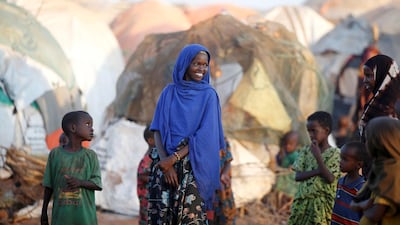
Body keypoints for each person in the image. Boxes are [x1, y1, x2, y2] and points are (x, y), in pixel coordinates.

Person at [148, 44, 226, 225]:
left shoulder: (209, 96)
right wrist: (165, 163)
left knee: (190, 218)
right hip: (164, 165)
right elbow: (158, 130)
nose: (201, 69)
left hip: (193, 166)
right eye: (196, 64)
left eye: (205, 65)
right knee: (162, 218)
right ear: (184, 64)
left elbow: (205, 137)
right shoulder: (169, 92)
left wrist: (173, 159)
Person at [40, 111, 102, 225]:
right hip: (61, 219)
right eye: (88, 125)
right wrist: (43, 212)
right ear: (73, 128)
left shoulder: (90, 156)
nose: (92, 129)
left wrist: (80, 182)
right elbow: (49, 186)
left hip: (85, 220)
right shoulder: (55, 154)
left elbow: (97, 184)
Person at [287, 111, 341, 225]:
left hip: (321, 207)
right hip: (302, 204)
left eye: (314, 131)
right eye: (309, 131)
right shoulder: (306, 150)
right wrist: (318, 171)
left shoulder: (336, 154)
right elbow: (298, 176)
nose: (311, 135)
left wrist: (318, 157)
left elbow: (330, 178)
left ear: (326, 131)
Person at [352, 117, 400, 225]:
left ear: (379, 143)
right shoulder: (380, 168)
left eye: (368, 139)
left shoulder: (392, 172)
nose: (366, 144)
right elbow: (358, 200)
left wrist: (361, 207)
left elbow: (375, 214)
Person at [358, 54, 400, 143]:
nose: (364, 80)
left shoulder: (393, 107)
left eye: (369, 75)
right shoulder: (375, 104)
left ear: (382, 76)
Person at [331, 141, 368, 225]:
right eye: (341, 158)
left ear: (358, 164)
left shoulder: (361, 188)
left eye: (345, 159)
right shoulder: (340, 181)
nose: (340, 161)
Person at [211, 137, 236, 225]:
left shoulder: (222, 140)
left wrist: (224, 174)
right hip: (208, 186)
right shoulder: (200, 139)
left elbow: (228, 161)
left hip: (222, 187)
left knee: (226, 215)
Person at [137, 125, 155, 225]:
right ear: (150, 140)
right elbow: (142, 175)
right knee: (146, 219)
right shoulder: (148, 157)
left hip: (149, 197)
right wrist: (156, 179)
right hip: (146, 197)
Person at [275, 130, 300, 197]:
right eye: (286, 144)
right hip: (282, 172)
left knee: (285, 185)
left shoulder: (294, 155)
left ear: (296, 146)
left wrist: (293, 167)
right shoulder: (285, 153)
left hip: (289, 175)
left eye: (290, 144)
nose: (287, 146)